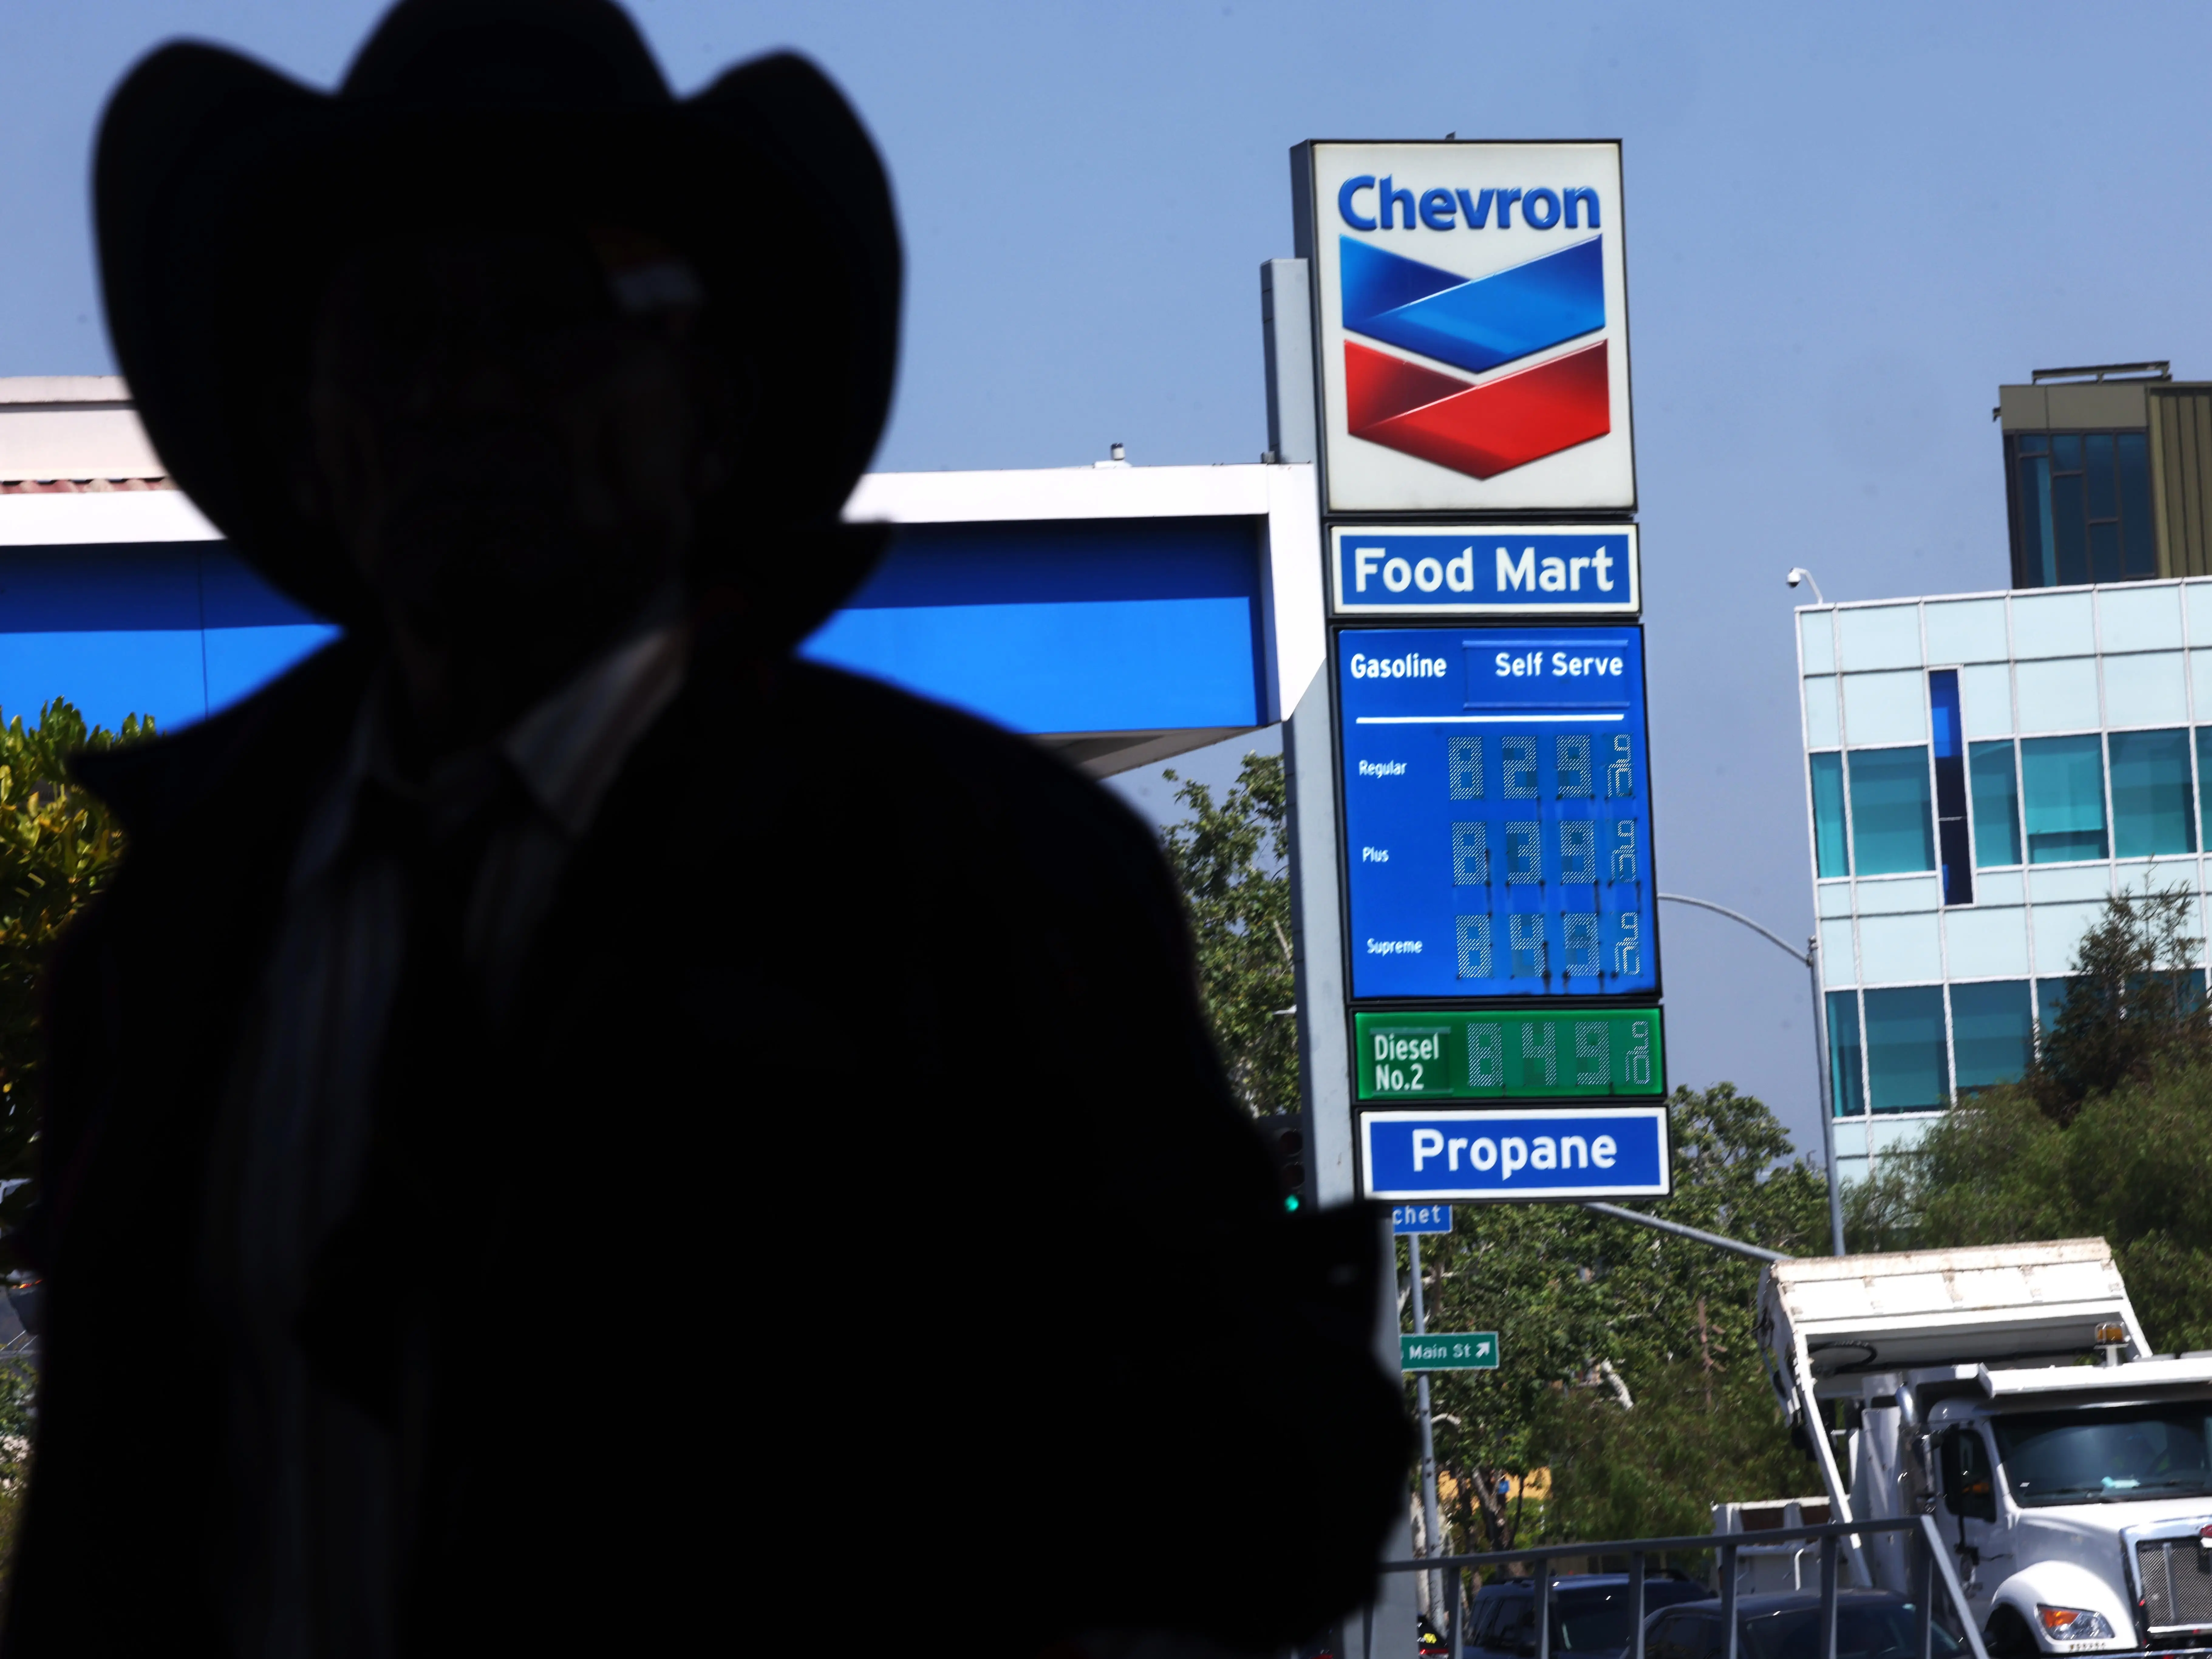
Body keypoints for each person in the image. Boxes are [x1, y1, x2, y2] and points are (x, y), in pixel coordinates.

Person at [1, 2, 1407, 1657]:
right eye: (394, 328)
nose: (465, 388)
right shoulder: (179, 931)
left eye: (552, 317)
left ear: (713, 402)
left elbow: (1256, 1500)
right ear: (306, 422)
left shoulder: (972, 880)